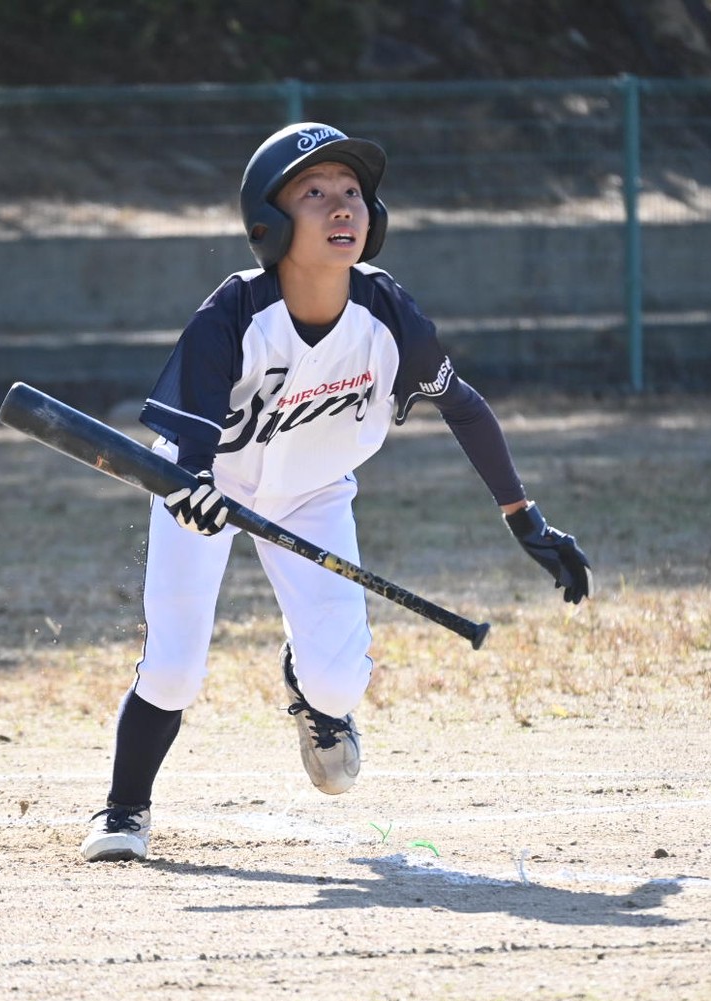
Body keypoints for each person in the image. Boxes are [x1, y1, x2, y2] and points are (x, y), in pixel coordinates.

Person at [80, 122, 592, 862]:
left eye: (352, 193)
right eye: (314, 194)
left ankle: (313, 692)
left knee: (338, 679)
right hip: (207, 483)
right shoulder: (233, 313)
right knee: (175, 666)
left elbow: (465, 407)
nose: (342, 207)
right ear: (271, 221)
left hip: (314, 490)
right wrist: (192, 488)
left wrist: (524, 516)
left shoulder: (387, 316)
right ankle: (124, 811)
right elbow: (191, 438)